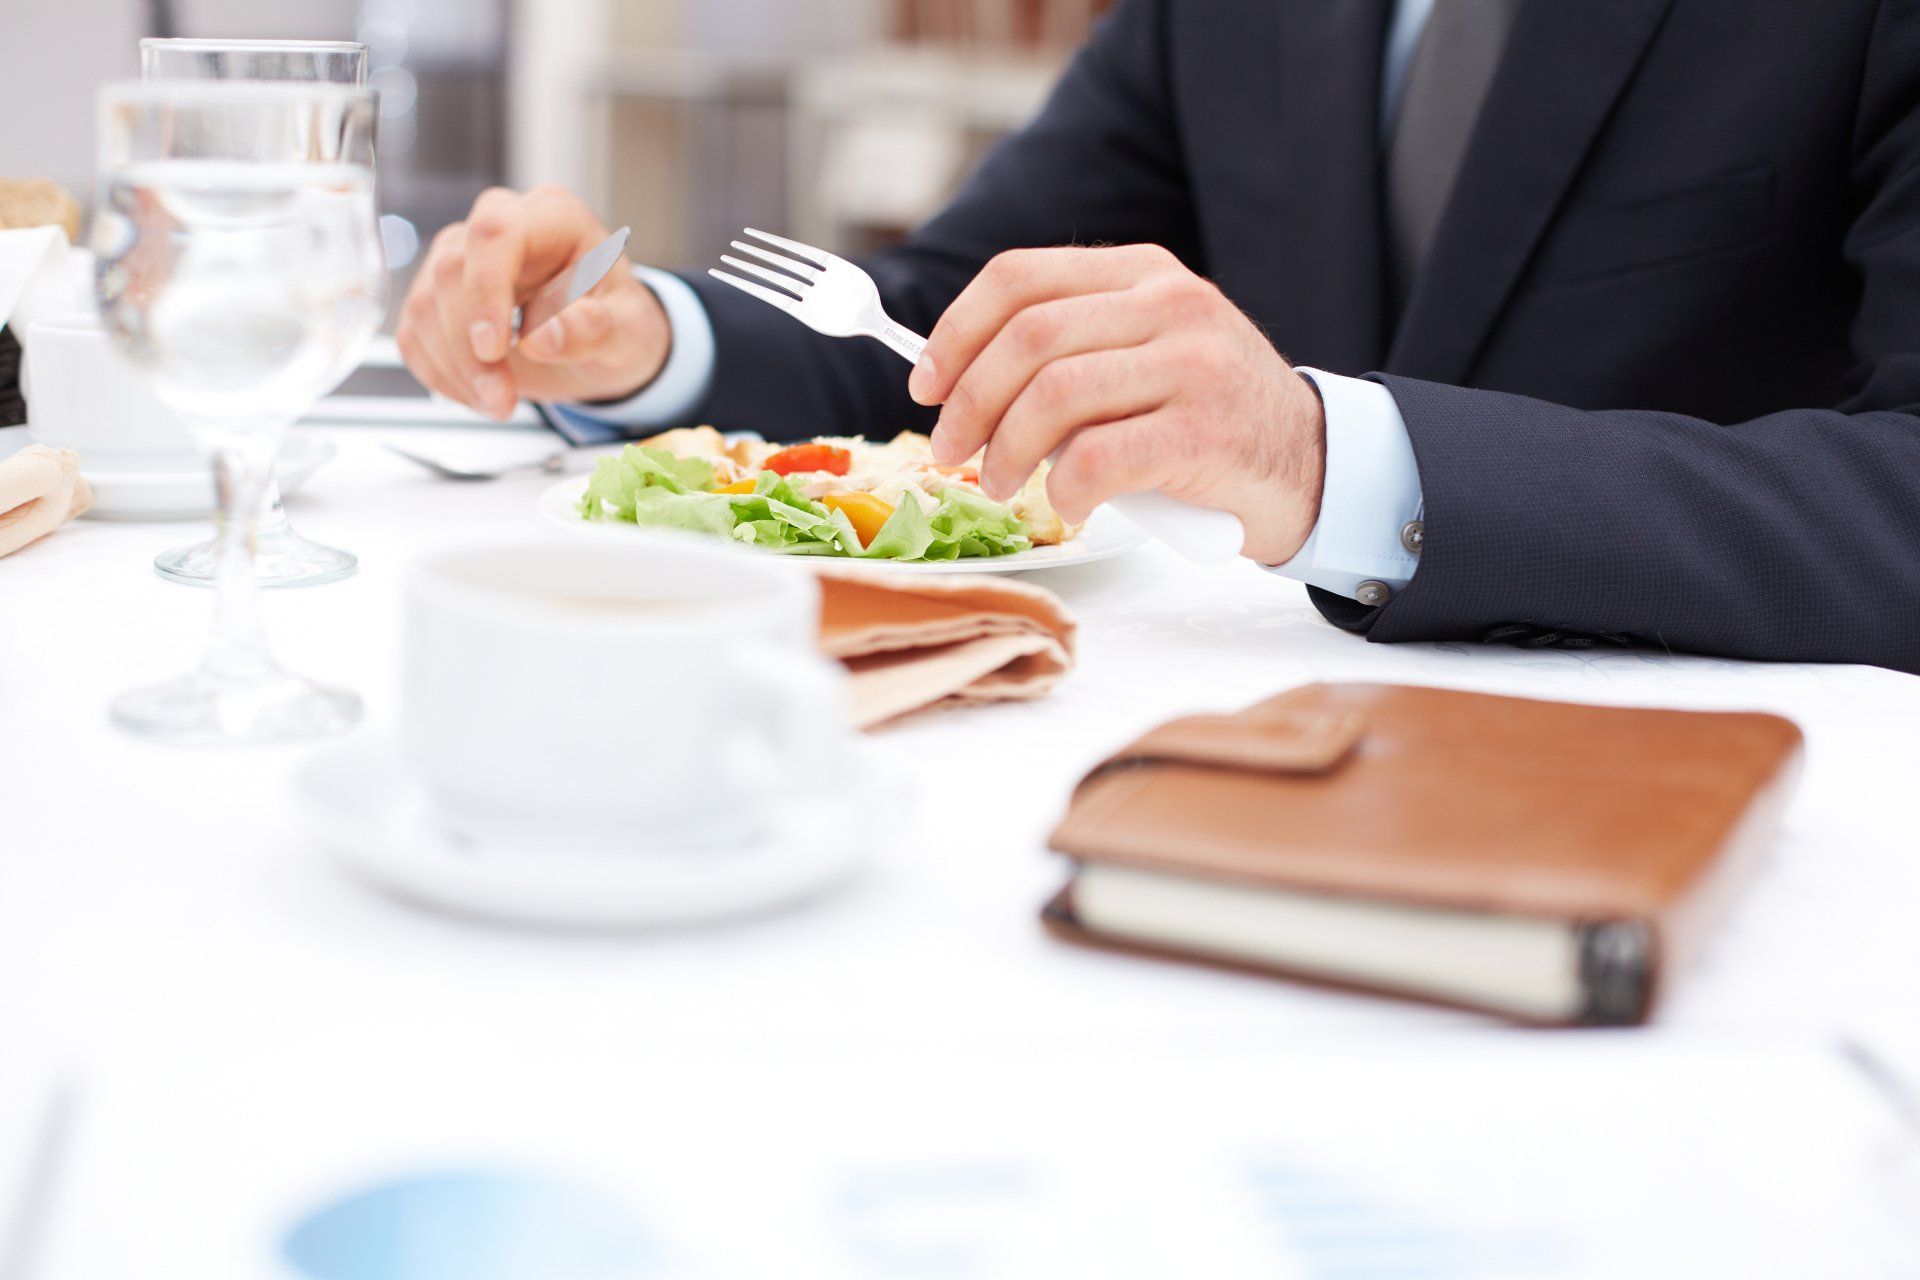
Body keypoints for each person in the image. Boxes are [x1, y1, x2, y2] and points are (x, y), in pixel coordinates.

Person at [396, 0, 1920, 674]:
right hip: (1236, 759)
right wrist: (642, 340)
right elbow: (935, 327)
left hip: (1670, 830)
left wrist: (1322, 455)